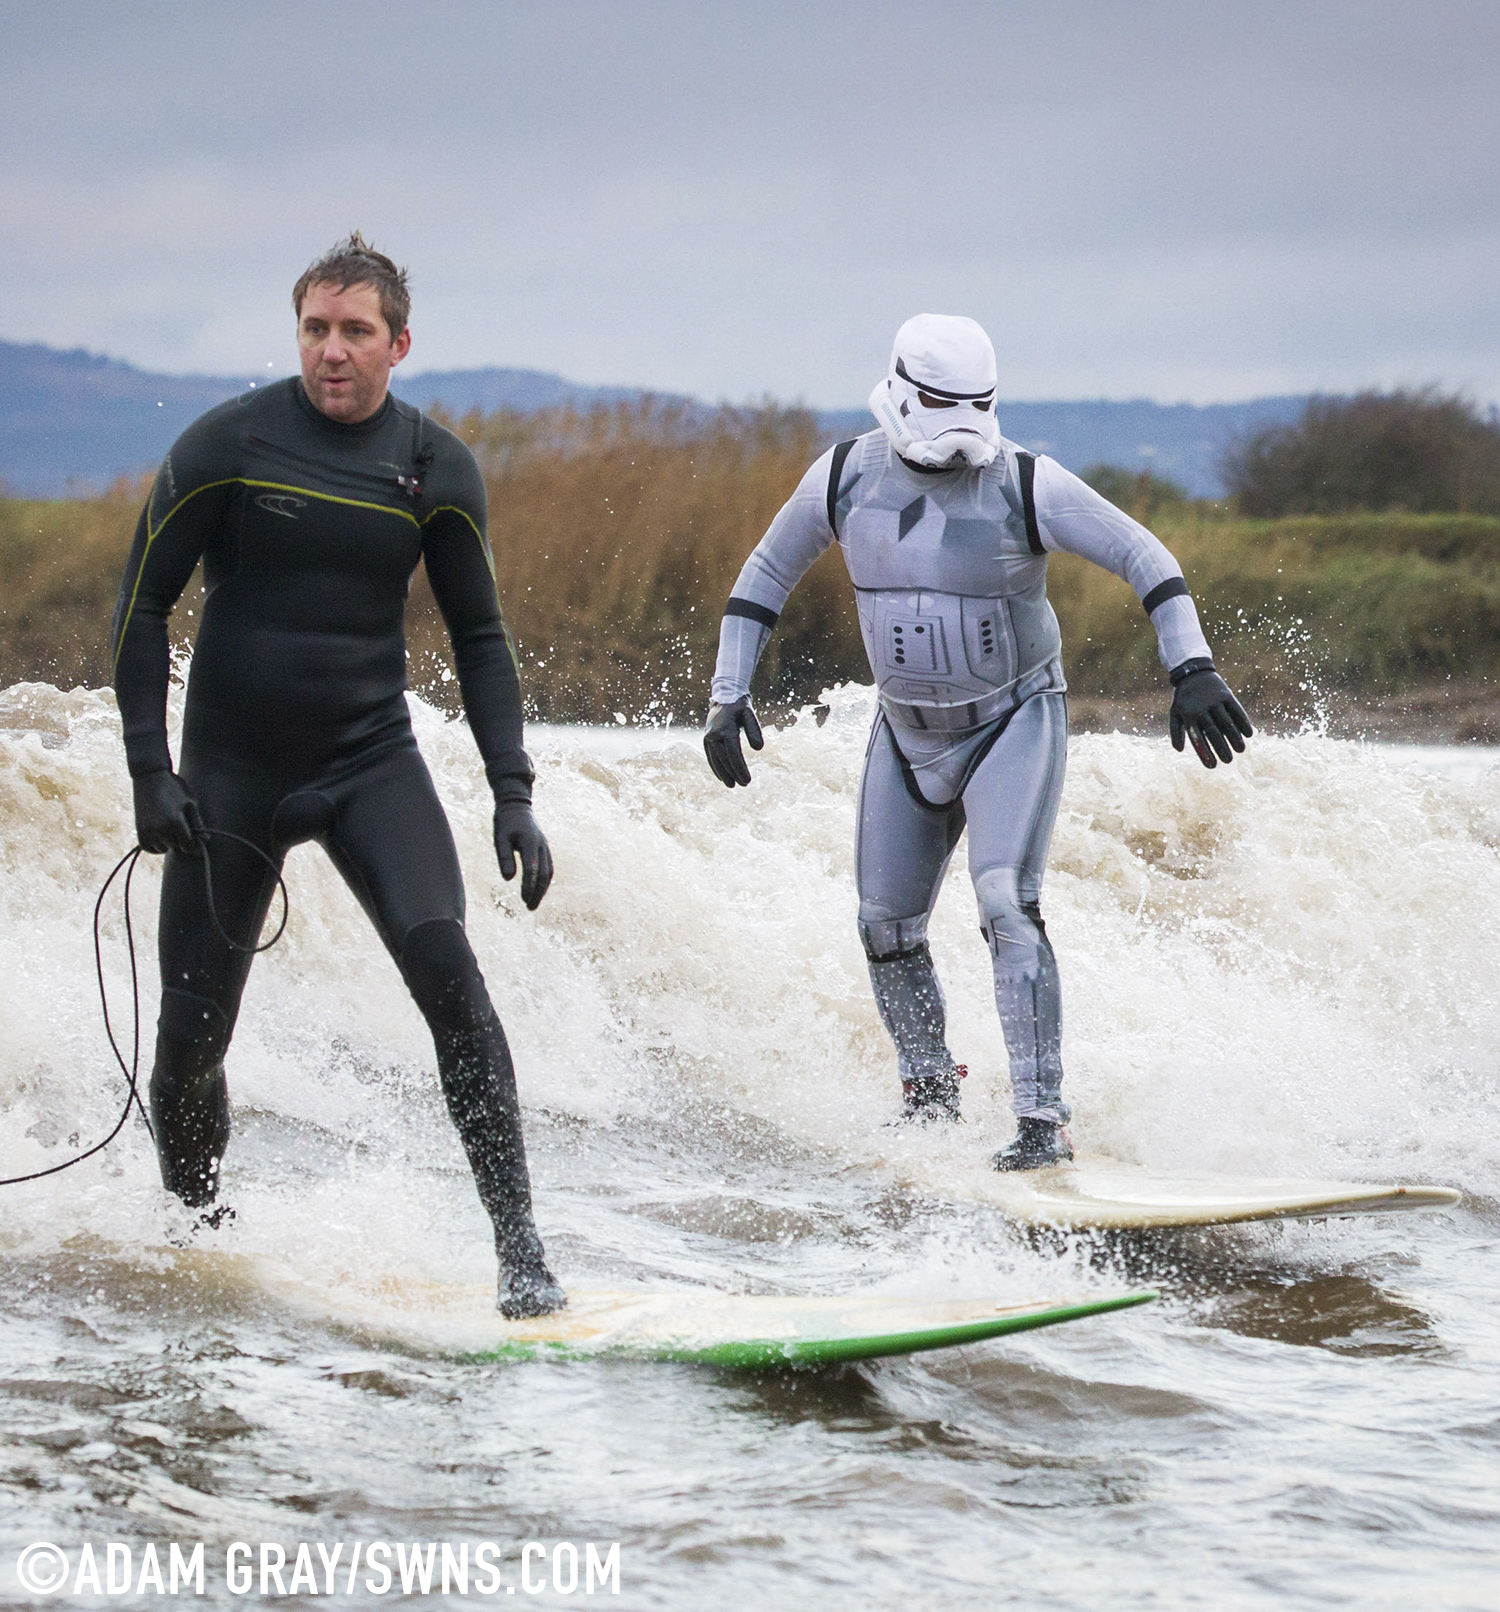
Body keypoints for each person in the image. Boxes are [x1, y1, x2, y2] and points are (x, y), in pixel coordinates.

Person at [110, 233, 566, 1316]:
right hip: (229, 774)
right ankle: (198, 1242)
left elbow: (483, 638)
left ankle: (522, 1250)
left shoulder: (437, 467)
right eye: (316, 328)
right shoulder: (228, 442)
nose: (332, 351)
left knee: (453, 980)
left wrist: (514, 788)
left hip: (369, 759)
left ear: (399, 343)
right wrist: (148, 772)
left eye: (356, 331)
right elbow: (139, 608)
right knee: (188, 1045)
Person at [704, 314, 1252, 1170]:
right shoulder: (844, 474)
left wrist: (1192, 667)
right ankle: (929, 1099)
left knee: (1005, 901)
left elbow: (1145, 554)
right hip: (906, 734)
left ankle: (1043, 1122)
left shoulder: (1027, 483)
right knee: (884, 925)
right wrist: (727, 695)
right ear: (898, 390)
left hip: (1012, 723)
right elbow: (765, 573)